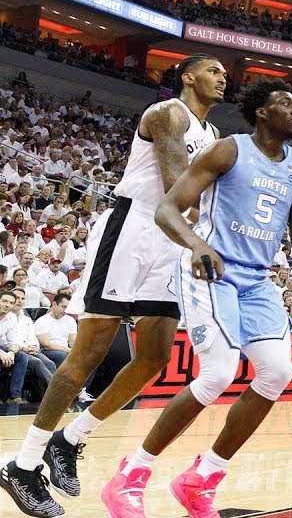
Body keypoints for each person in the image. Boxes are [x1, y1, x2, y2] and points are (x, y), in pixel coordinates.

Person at [100, 79, 292, 518]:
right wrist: (198, 245)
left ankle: (201, 478)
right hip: (210, 270)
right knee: (218, 373)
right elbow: (167, 209)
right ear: (261, 112)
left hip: (255, 281)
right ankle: (130, 476)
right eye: (286, 104)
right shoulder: (228, 151)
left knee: (277, 372)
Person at [2, 54, 225, 518]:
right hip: (134, 229)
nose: (223, 78)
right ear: (187, 76)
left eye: (225, 73)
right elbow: (174, 188)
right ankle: (22, 465)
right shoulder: (168, 114)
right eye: (214, 71)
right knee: (91, 350)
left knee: (156, 357)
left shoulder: (215, 136)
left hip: (173, 242)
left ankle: (70, 438)